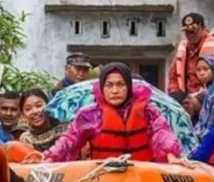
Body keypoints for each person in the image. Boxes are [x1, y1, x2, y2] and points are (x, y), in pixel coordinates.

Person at [44, 62, 182, 162]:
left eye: (120, 84)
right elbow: (69, 140)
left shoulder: (148, 110)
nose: (115, 91)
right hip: (106, 177)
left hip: (144, 175)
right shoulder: (89, 115)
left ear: (128, 87)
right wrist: (51, 157)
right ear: (102, 88)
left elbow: (161, 133)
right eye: (109, 85)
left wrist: (170, 154)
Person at [167, 12, 214, 94]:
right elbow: (173, 76)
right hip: (188, 96)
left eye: (193, 31)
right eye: (187, 32)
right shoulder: (183, 51)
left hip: (211, 94)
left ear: (203, 28)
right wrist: (175, 91)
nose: (190, 35)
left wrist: (213, 87)